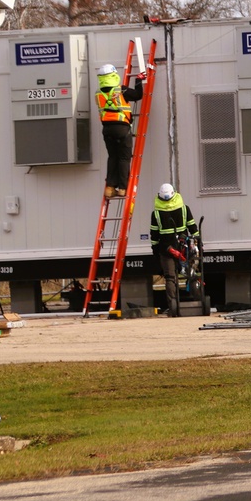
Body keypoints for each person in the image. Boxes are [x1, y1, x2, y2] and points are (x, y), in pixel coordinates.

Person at [96, 64, 145, 198]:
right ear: (113, 75)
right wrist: (138, 80)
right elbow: (137, 95)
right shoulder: (121, 90)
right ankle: (123, 188)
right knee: (124, 158)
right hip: (122, 129)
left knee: (113, 157)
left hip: (107, 130)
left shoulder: (98, 94)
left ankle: (110, 188)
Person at [150, 183, 199, 317]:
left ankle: (173, 308)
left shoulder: (156, 214)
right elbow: (193, 227)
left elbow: (154, 236)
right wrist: (197, 242)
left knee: (171, 278)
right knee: (192, 274)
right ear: (174, 194)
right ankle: (198, 301)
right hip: (184, 248)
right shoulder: (184, 209)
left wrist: (156, 251)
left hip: (166, 249)